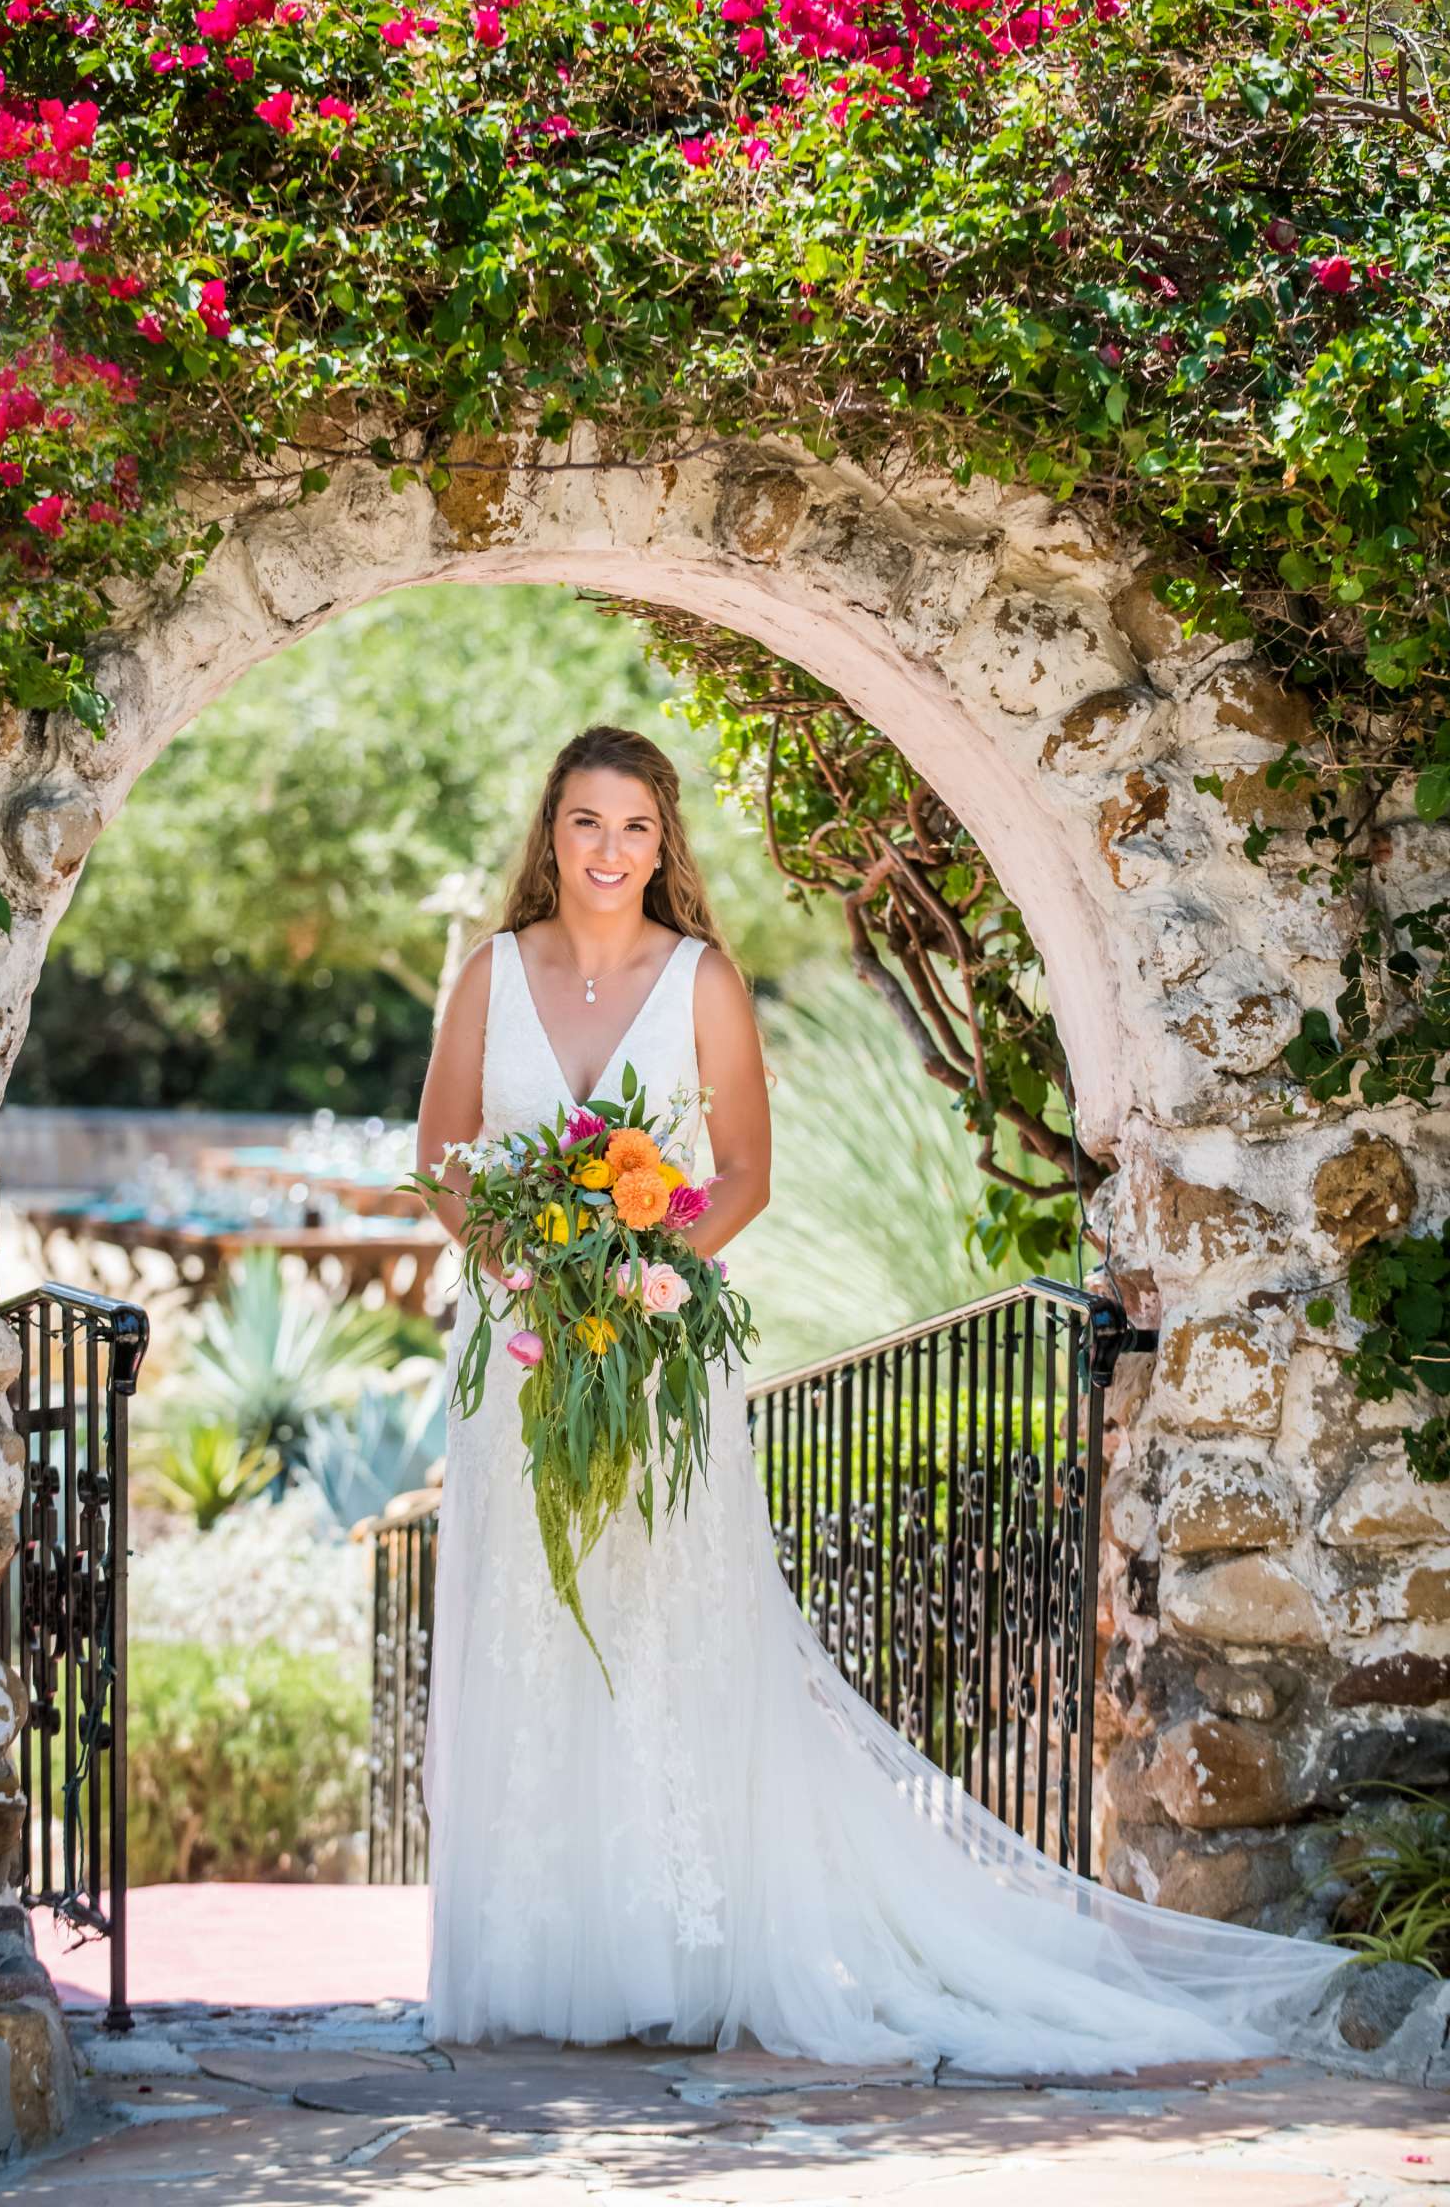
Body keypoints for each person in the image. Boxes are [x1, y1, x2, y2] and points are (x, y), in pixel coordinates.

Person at [413, 724, 1341, 2074]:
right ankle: (543, 1950)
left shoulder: (704, 981)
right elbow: (441, 1155)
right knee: (533, 1621)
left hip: (659, 1348)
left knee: (666, 1625)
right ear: (548, 837)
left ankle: (674, 1949)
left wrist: (639, 1270)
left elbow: (740, 1174)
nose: (608, 851)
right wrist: (519, 1260)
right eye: (583, 823)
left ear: (664, 846)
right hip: (517, 1357)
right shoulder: (491, 977)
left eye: (633, 827)